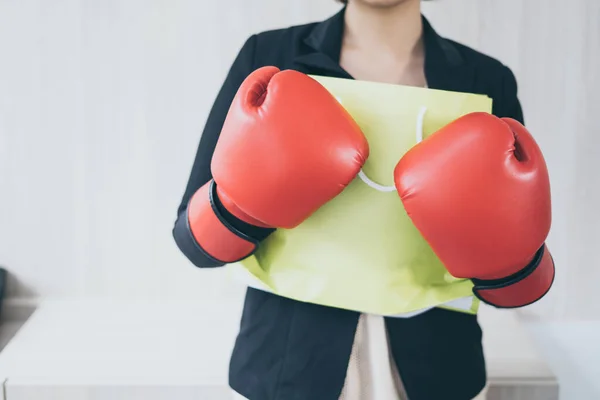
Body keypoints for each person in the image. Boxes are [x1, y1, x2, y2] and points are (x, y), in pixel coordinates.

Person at [173, 0, 554, 399]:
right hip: (286, 370)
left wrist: (507, 256)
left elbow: (516, 277)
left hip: (439, 371)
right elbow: (194, 244)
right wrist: (242, 203)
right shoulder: (271, 57)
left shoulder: (485, 79)